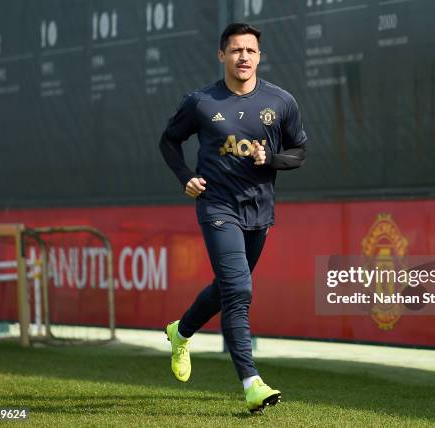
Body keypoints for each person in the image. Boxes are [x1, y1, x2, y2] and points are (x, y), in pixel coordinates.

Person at [159, 22, 307, 413]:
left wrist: (270, 159)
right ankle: (252, 382)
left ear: (259, 57)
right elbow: (169, 141)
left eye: (251, 51)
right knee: (239, 292)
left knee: (226, 289)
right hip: (217, 207)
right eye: (236, 50)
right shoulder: (201, 102)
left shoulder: (281, 102)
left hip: (259, 211)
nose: (244, 57)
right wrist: (186, 177)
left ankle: (181, 331)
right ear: (221, 55)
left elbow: (299, 152)